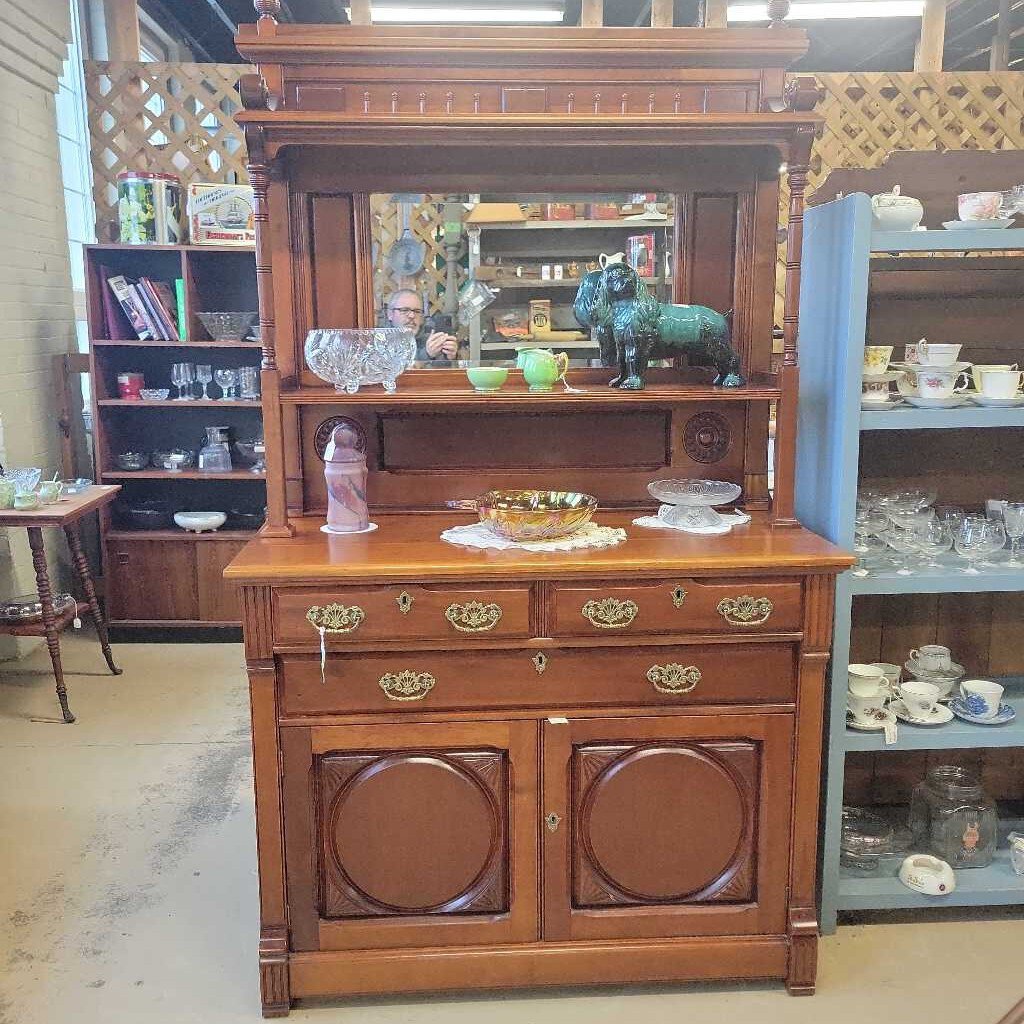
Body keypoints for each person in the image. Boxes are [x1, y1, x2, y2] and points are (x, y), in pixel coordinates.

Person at [385, 289, 459, 363]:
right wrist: (426, 354)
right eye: (404, 310)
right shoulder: (380, 341)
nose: (412, 315)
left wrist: (450, 357)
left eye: (417, 311)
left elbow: (443, 372)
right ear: (390, 314)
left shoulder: (428, 340)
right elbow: (394, 366)